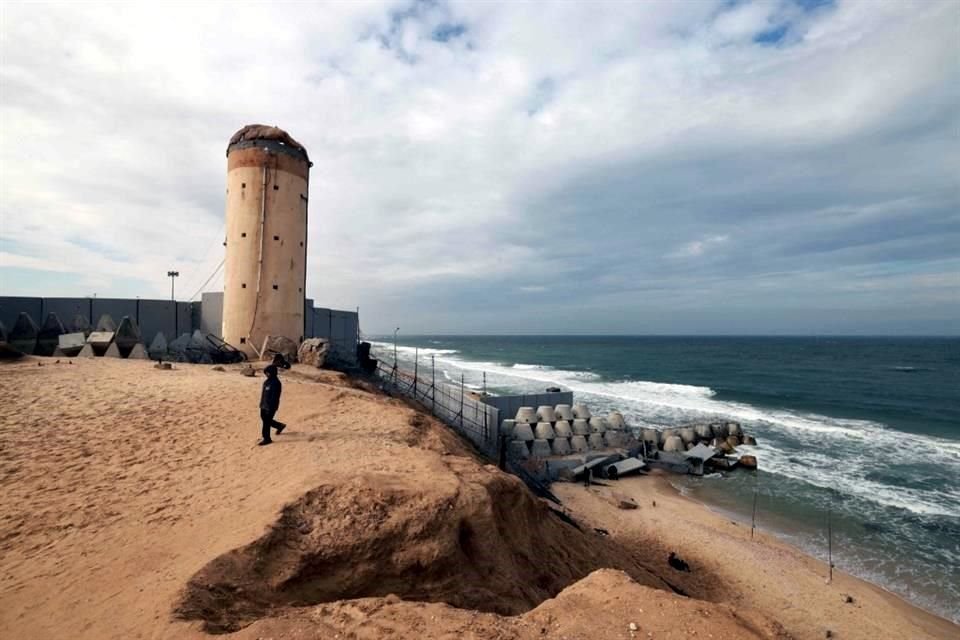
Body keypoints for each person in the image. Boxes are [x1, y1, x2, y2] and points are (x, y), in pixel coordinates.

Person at [258, 364, 286, 446]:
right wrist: (262, 404)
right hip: (263, 404)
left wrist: (270, 408)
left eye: (267, 373)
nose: (266, 374)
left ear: (272, 373)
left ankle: (267, 438)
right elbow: (264, 394)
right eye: (266, 373)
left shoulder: (276, 383)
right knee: (265, 419)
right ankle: (280, 426)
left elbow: (275, 397)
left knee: (266, 422)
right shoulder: (267, 381)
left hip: (270, 406)